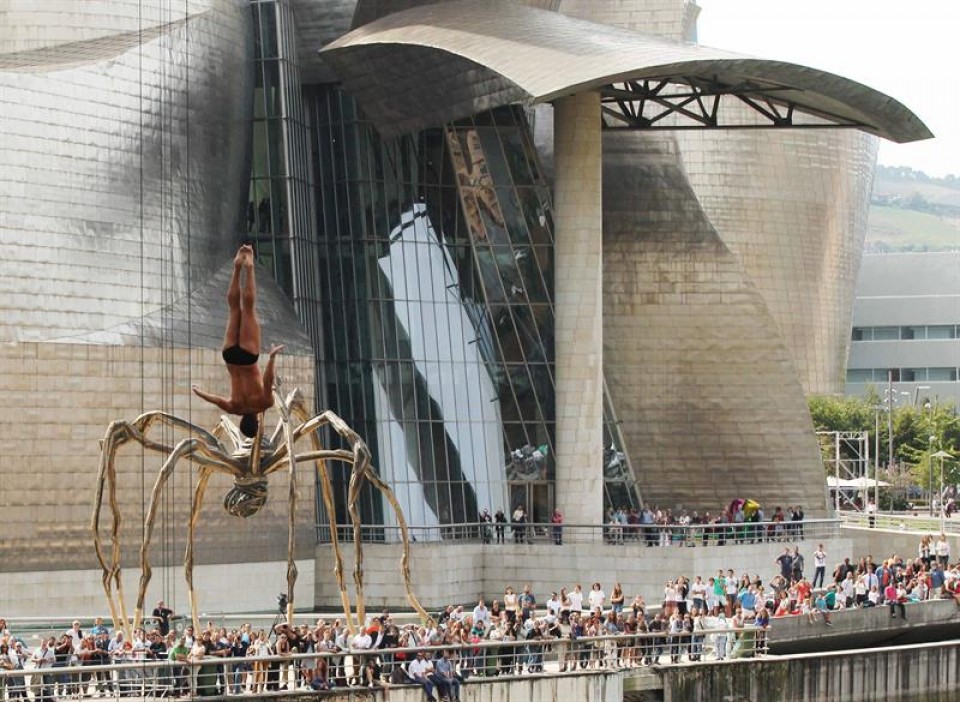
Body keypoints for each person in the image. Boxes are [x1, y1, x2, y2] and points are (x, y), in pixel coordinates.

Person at [192, 244, 284, 438]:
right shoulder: (234, 408)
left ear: (257, 423)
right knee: (234, 308)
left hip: (249, 357)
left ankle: (248, 266)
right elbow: (217, 400)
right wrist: (199, 392)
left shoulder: (264, 403)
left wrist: (273, 357)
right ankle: (236, 268)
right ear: (242, 422)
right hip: (230, 357)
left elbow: (268, 381)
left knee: (248, 308)